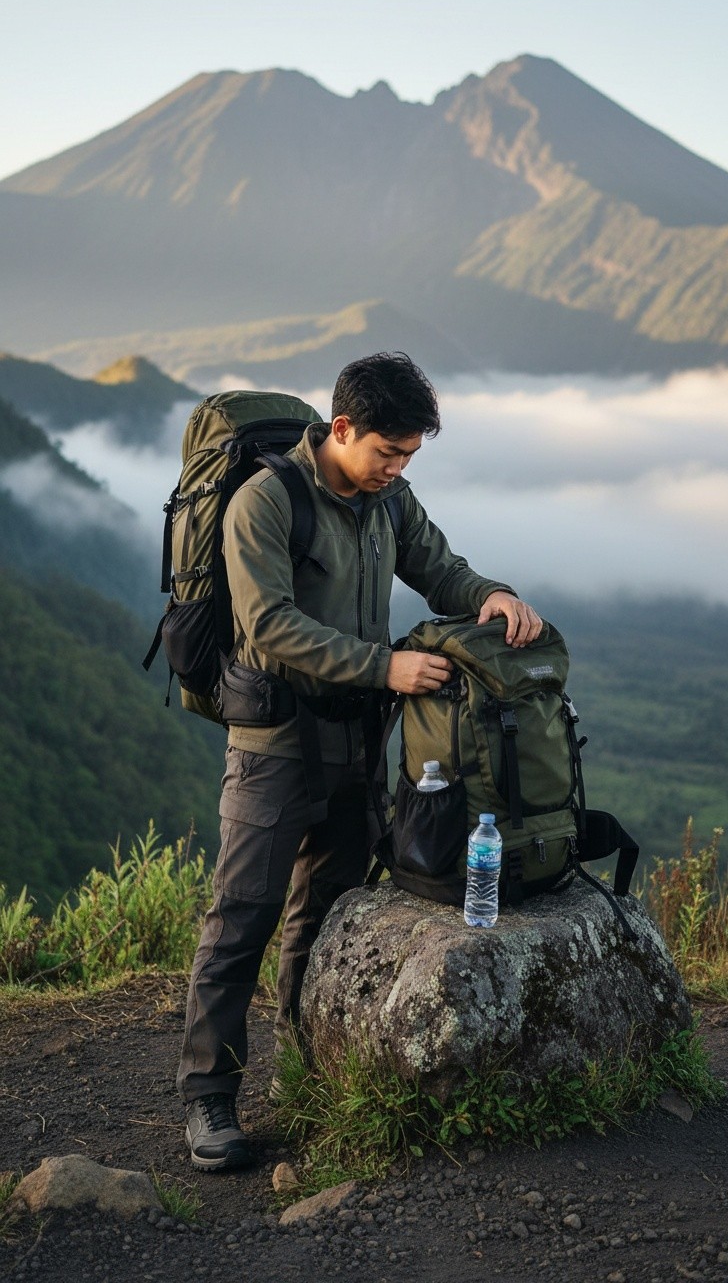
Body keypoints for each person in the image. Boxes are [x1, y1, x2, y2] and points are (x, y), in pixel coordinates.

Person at [177, 352, 542, 1169]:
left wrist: (492, 593)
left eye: (410, 455)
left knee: (327, 912)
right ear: (341, 430)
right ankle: (208, 1100)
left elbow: (439, 569)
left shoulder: (390, 501)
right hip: (273, 745)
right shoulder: (265, 502)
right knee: (243, 918)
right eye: (388, 451)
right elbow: (268, 624)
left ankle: (306, 1070)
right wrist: (387, 668)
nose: (397, 468)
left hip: (358, 743)